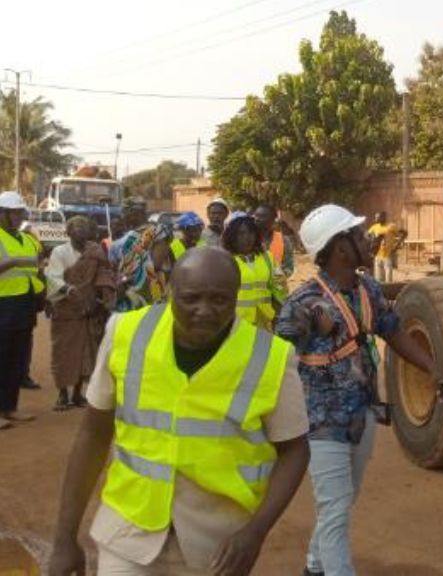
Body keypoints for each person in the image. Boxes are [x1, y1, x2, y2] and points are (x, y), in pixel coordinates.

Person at [47, 247, 310, 576]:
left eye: (220, 300)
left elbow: (295, 449)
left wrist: (255, 532)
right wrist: (64, 539)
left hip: (216, 546)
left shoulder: (271, 357)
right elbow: (93, 433)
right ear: (170, 291)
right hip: (127, 532)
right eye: (191, 298)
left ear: (235, 298)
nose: (204, 311)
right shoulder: (126, 333)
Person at [276, 204, 443, 576]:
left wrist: (432, 369)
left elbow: (392, 330)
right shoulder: (303, 304)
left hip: (363, 414)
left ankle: (313, 566)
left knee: (342, 502)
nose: (368, 238)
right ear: (340, 248)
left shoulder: (368, 287)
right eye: (357, 235)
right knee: (336, 509)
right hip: (321, 423)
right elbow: (276, 360)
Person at [45, 216, 116, 411]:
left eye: (84, 227)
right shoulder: (60, 252)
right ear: (68, 231)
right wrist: (69, 290)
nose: (81, 230)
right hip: (66, 311)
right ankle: (62, 395)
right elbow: (53, 277)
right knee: (63, 352)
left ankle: (77, 394)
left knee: (86, 353)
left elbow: (104, 273)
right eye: (76, 227)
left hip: (89, 310)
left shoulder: (95, 252)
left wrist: (103, 296)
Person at [0, 191, 43, 428]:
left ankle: (10, 408)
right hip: (3, 304)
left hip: (24, 304)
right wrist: (11, 263)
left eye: (19, 212)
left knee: (17, 359)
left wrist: (40, 293)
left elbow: (35, 269)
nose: (17, 217)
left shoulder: (26, 240)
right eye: (12, 213)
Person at [224, 212, 284, 330]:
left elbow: (280, 289)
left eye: (250, 232)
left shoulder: (267, 257)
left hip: (265, 323)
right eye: (240, 233)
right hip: (235, 325)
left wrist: (280, 315)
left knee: (262, 349)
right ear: (231, 236)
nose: (246, 238)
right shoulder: (224, 260)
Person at [253, 204, 294, 280]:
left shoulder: (284, 240)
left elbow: (289, 268)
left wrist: (278, 277)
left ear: (273, 219)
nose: (257, 219)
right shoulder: (246, 239)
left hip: (275, 289)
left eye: (262, 216)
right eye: (256, 215)